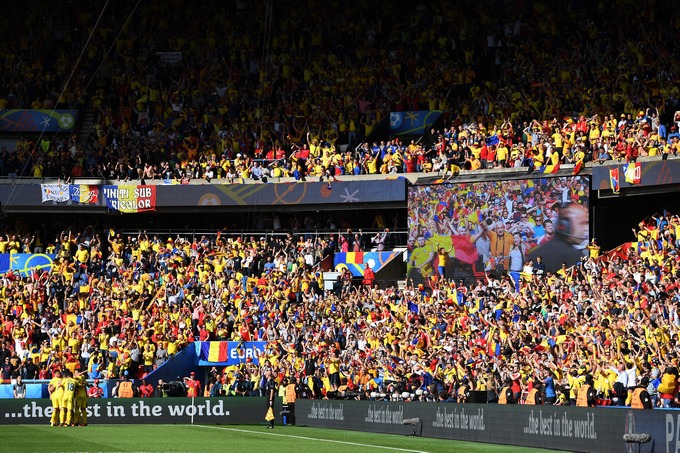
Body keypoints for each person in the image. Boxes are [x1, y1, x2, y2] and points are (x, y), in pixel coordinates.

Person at [526, 203, 589, 272]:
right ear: (566, 225)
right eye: (582, 223)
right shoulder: (576, 258)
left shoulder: (534, 255)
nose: (586, 228)